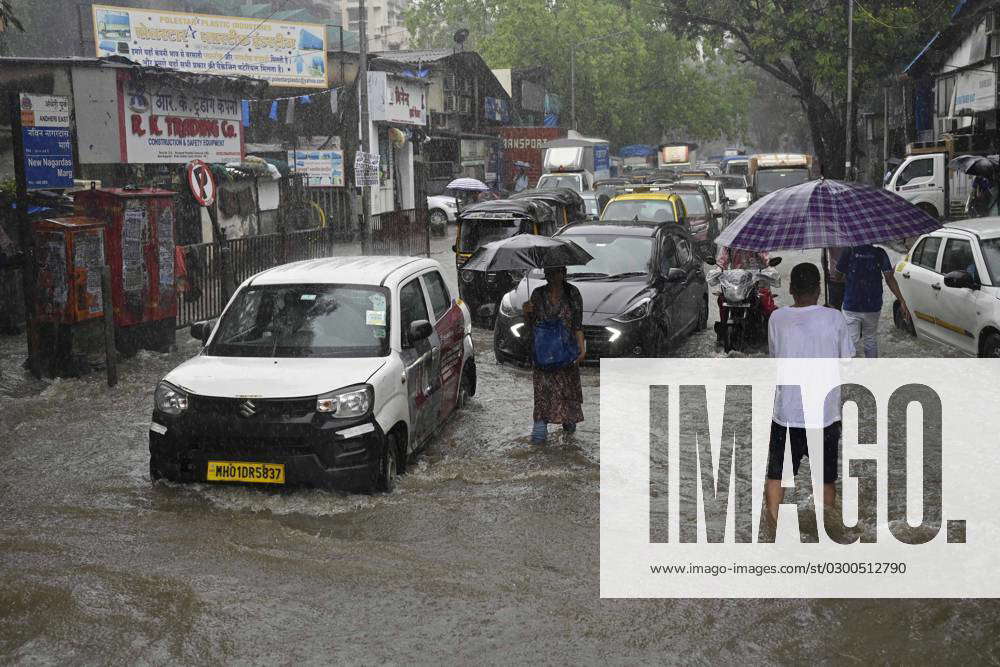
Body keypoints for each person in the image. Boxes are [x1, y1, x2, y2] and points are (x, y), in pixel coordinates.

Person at [765, 263, 855, 523]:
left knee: (776, 476)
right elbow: (847, 360)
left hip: (786, 415)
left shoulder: (777, 318)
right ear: (818, 288)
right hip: (825, 416)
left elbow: (775, 358)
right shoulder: (835, 318)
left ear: (791, 289)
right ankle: (826, 528)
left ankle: (772, 527)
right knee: (825, 479)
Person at [521, 266, 586, 445]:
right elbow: (530, 326)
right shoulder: (537, 294)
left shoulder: (573, 294)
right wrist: (526, 312)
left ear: (564, 273)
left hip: (566, 354)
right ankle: (539, 438)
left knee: (567, 397)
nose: (553, 276)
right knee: (543, 398)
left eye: (557, 272)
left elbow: (578, 325)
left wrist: (582, 348)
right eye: (549, 272)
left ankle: (570, 437)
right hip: (543, 355)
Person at [835, 244, 908, 358]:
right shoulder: (880, 253)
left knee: (851, 341)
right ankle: (872, 371)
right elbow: (889, 278)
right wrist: (901, 300)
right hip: (873, 304)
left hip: (852, 305)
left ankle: (850, 372)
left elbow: (837, 276)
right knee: (870, 339)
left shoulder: (848, 251)